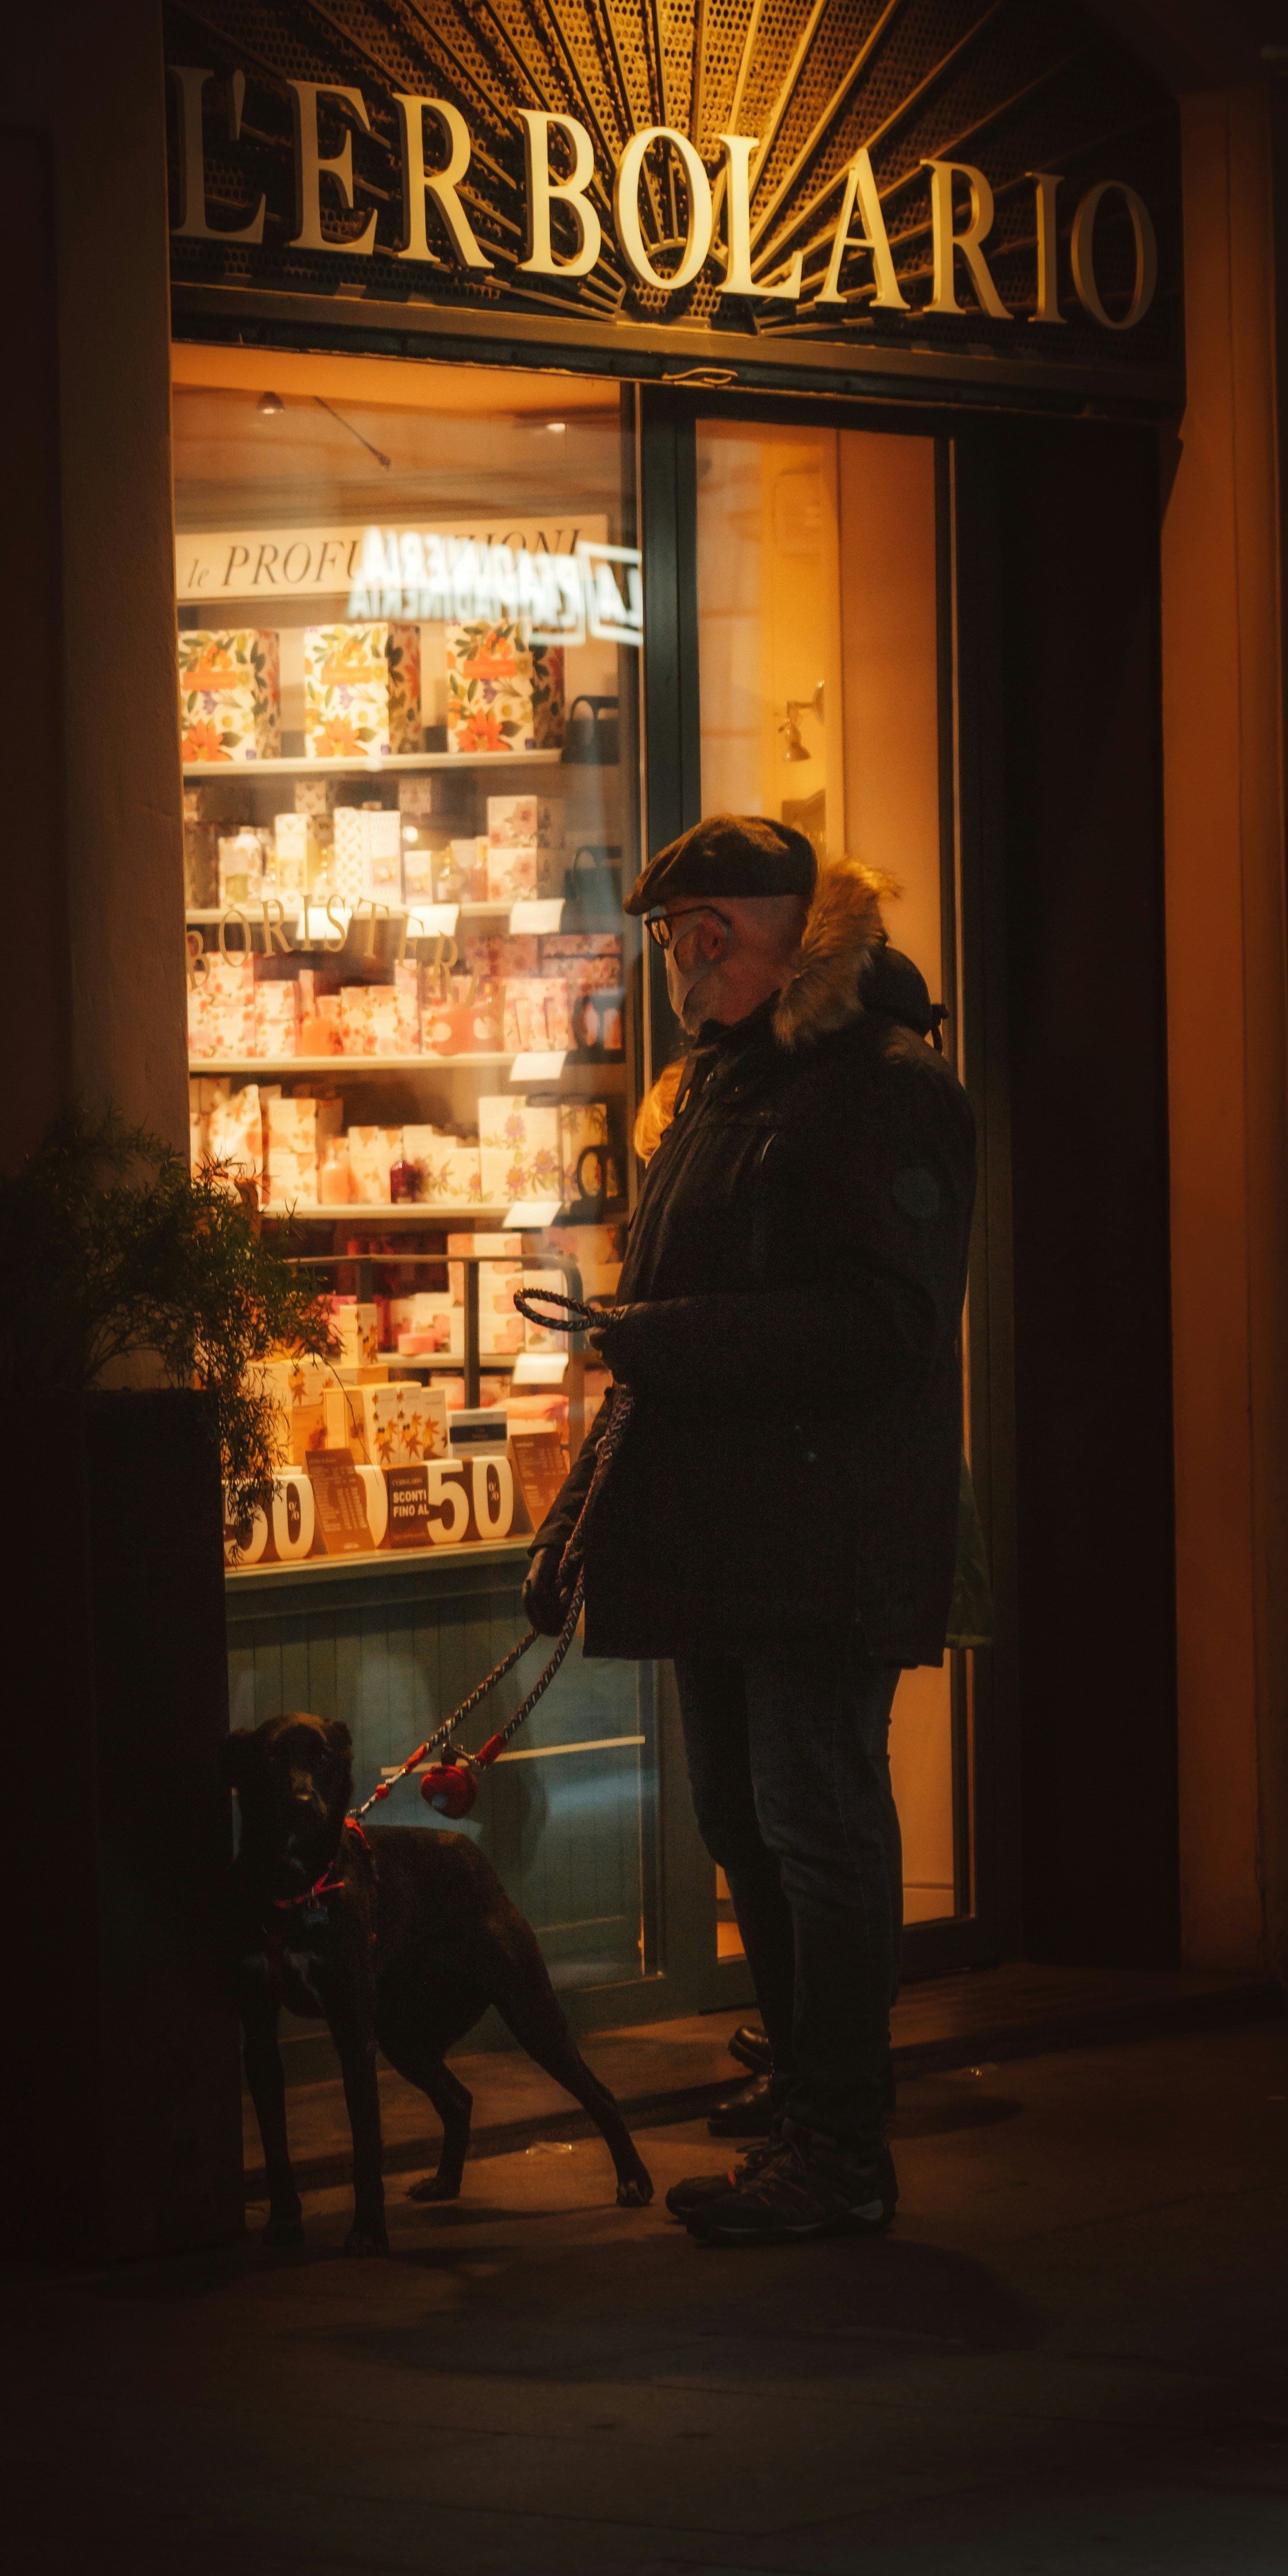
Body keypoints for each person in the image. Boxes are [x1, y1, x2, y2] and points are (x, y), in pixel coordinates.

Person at [523, 812, 976, 2244]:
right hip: (719, 1526)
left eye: (705, 935)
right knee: (742, 1818)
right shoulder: (718, 1084)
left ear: (790, 934)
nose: (681, 967)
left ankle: (839, 2147)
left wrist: (674, 1341)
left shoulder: (884, 1087)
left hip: (823, 1533)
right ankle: (801, 2106)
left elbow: (886, 1322)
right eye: (670, 940)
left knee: (815, 1819)